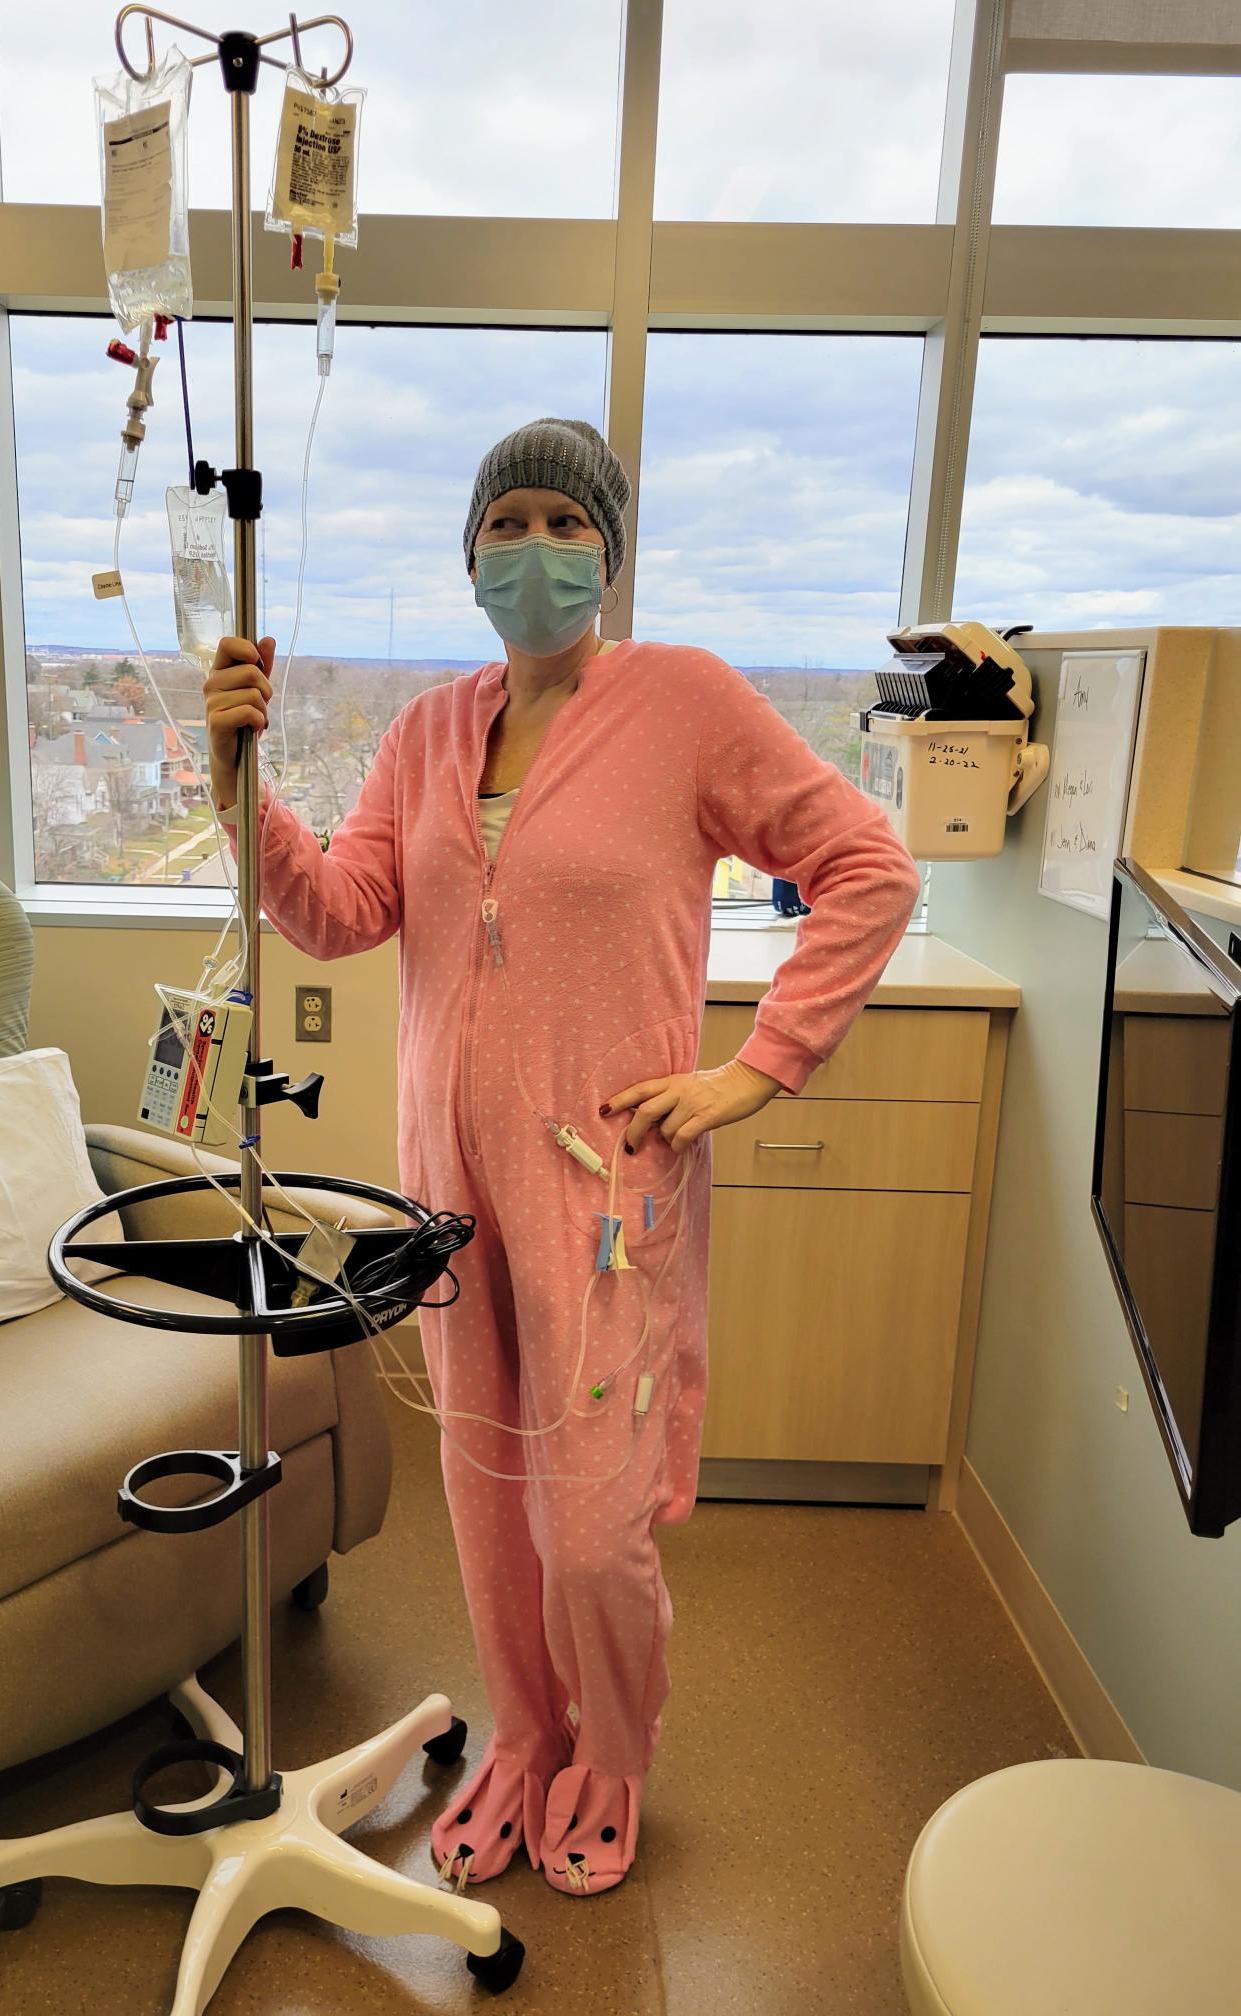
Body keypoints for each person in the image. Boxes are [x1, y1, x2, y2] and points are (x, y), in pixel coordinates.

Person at [203, 417, 920, 1898]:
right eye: (508, 521)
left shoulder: (686, 704)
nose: (535, 546)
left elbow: (870, 863)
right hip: (449, 1193)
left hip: (605, 1188)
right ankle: (524, 1738)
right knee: (487, 1490)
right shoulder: (425, 734)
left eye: (563, 520)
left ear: (607, 547)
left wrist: (755, 1069)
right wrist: (237, 779)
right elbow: (339, 911)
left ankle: (612, 1758)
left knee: (592, 1521)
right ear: (471, 555)